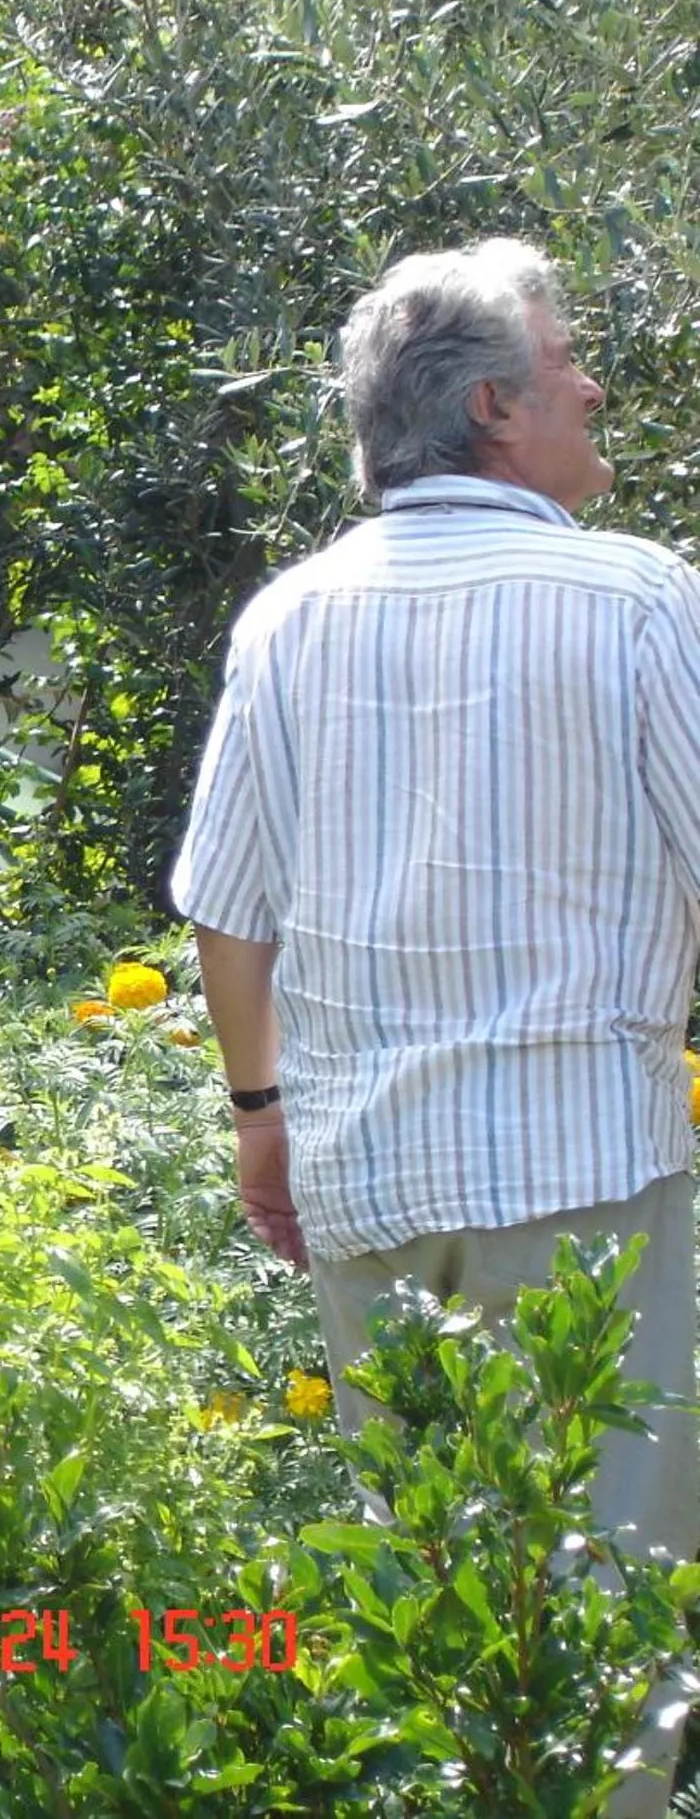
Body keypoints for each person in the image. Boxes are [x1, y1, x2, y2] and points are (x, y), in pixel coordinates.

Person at [173, 238, 698, 1818]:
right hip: (588, 1181)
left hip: (368, 1194)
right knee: (611, 1636)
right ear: (493, 411)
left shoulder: (289, 618)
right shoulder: (641, 596)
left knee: (436, 1627)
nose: (593, 385)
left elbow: (227, 905)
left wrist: (261, 1116)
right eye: (567, 365)